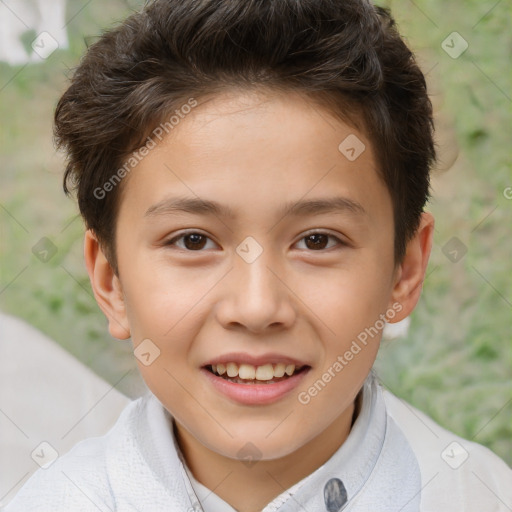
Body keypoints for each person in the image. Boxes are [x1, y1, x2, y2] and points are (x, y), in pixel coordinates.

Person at [5, 0, 511, 510]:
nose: (256, 307)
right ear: (110, 279)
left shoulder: (481, 495)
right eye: (193, 240)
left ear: (404, 271)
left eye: (317, 240)